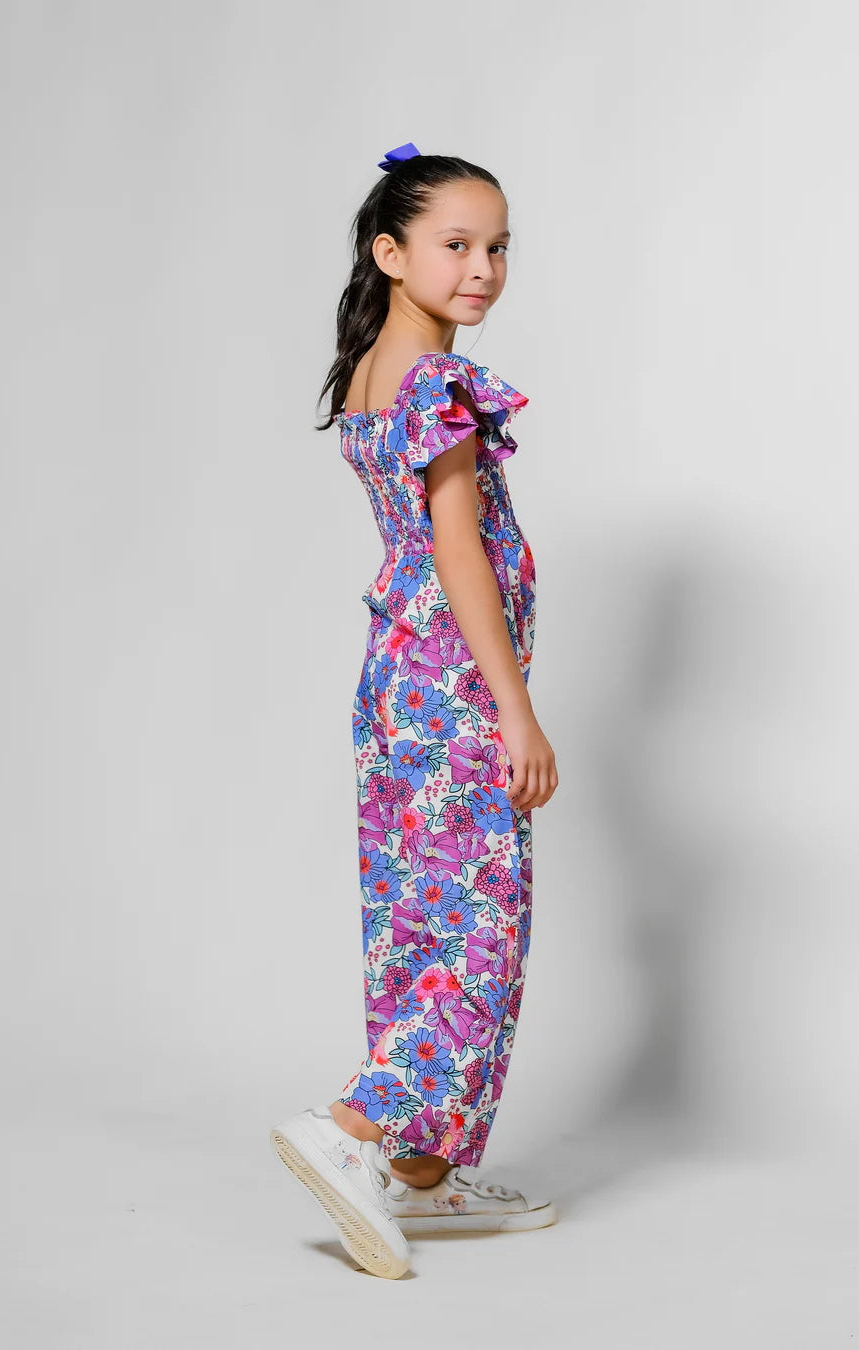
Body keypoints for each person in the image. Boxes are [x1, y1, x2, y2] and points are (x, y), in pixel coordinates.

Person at [270, 142, 559, 1279]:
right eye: (457, 244)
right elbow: (458, 554)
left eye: (499, 247)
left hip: (398, 680)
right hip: (452, 686)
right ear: (391, 254)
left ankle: (422, 1173)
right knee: (476, 934)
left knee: (417, 924)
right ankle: (350, 1130)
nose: (483, 268)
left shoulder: (373, 373)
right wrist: (516, 711)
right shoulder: (437, 384)